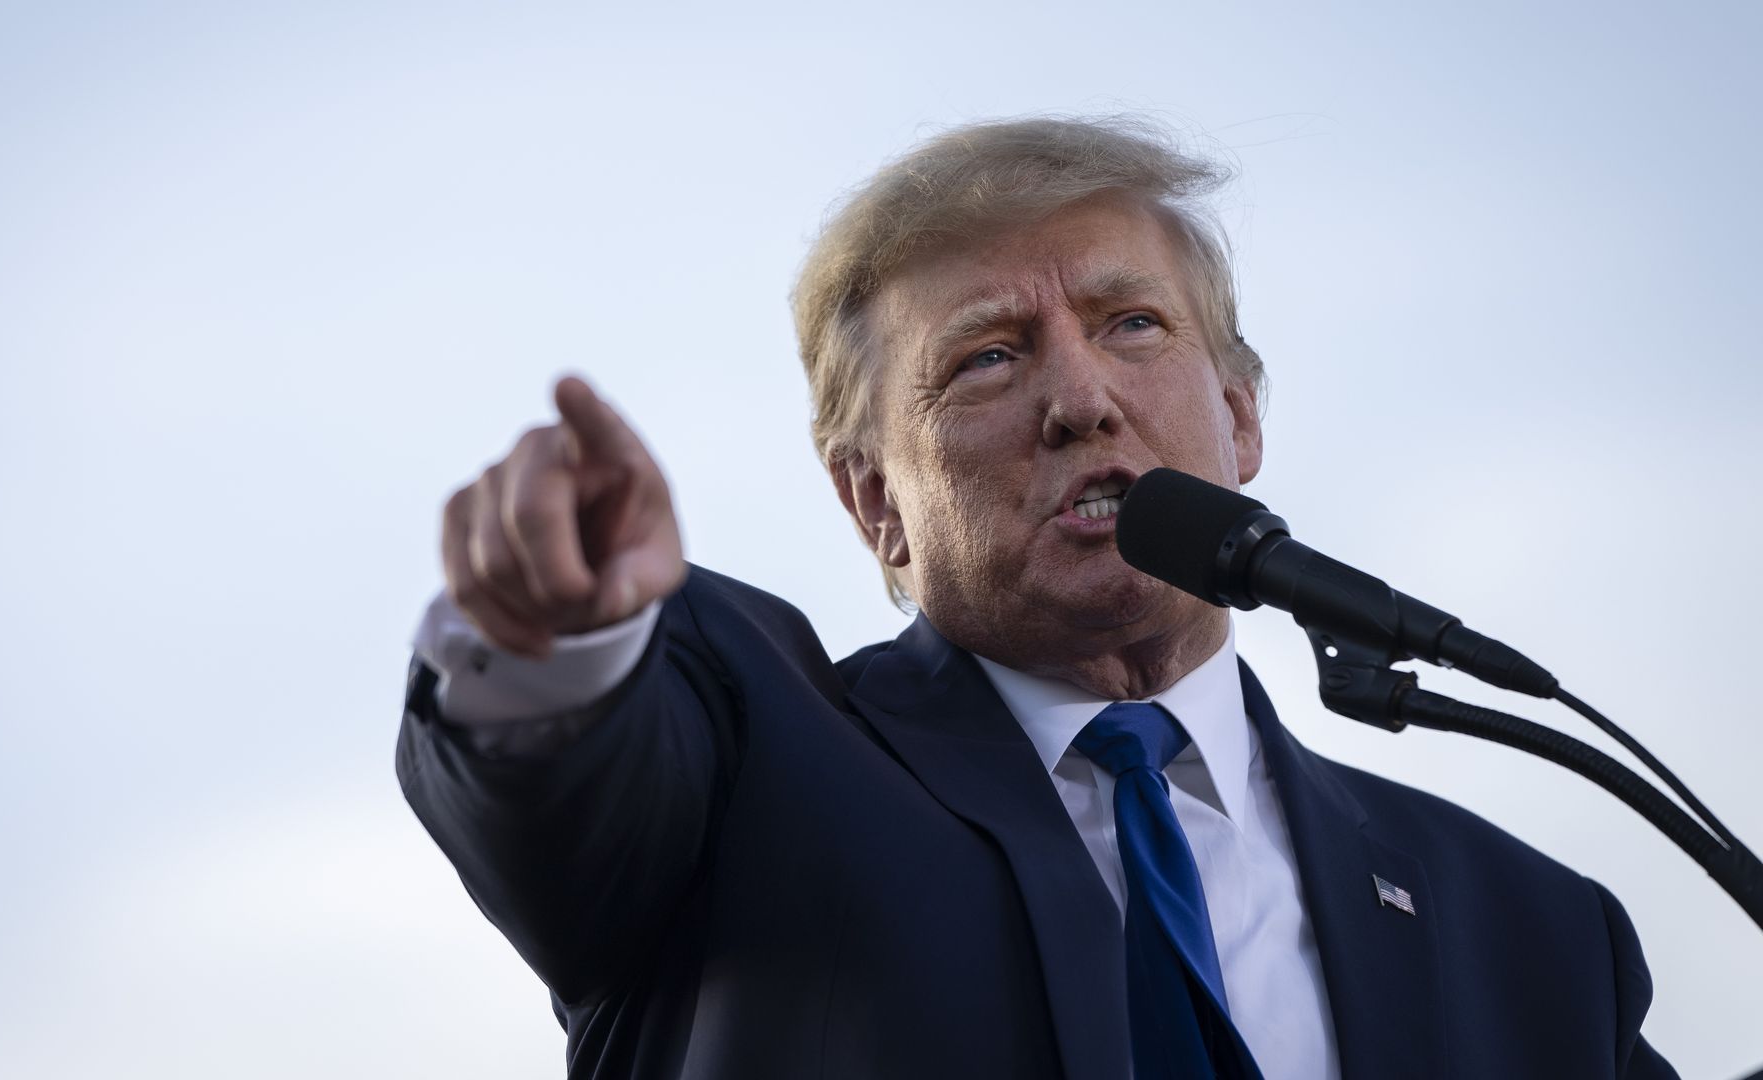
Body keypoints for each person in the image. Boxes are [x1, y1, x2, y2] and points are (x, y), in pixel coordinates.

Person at [396, 116, 1678, 1079]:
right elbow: (569, 778)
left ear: (1239, 419)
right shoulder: (742, 761)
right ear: (874, 505)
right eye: (988, 357)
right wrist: (554, 637)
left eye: (1132, 325)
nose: (1081, 399)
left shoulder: (1536, 932)